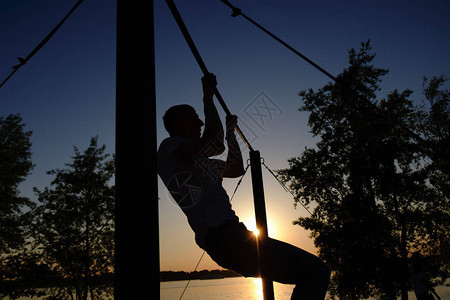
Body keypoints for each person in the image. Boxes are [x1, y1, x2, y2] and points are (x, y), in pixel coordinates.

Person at [158, 73, 330, 299]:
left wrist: (230, 134)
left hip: (234, 236)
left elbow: (235, 167)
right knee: (316, 271)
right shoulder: (170, 148)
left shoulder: (202, 162)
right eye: (194, 118)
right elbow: (213, 141)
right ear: (178, 124)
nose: (200, 122)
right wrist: (207, 97)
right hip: (224, 239)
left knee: (313, 272)